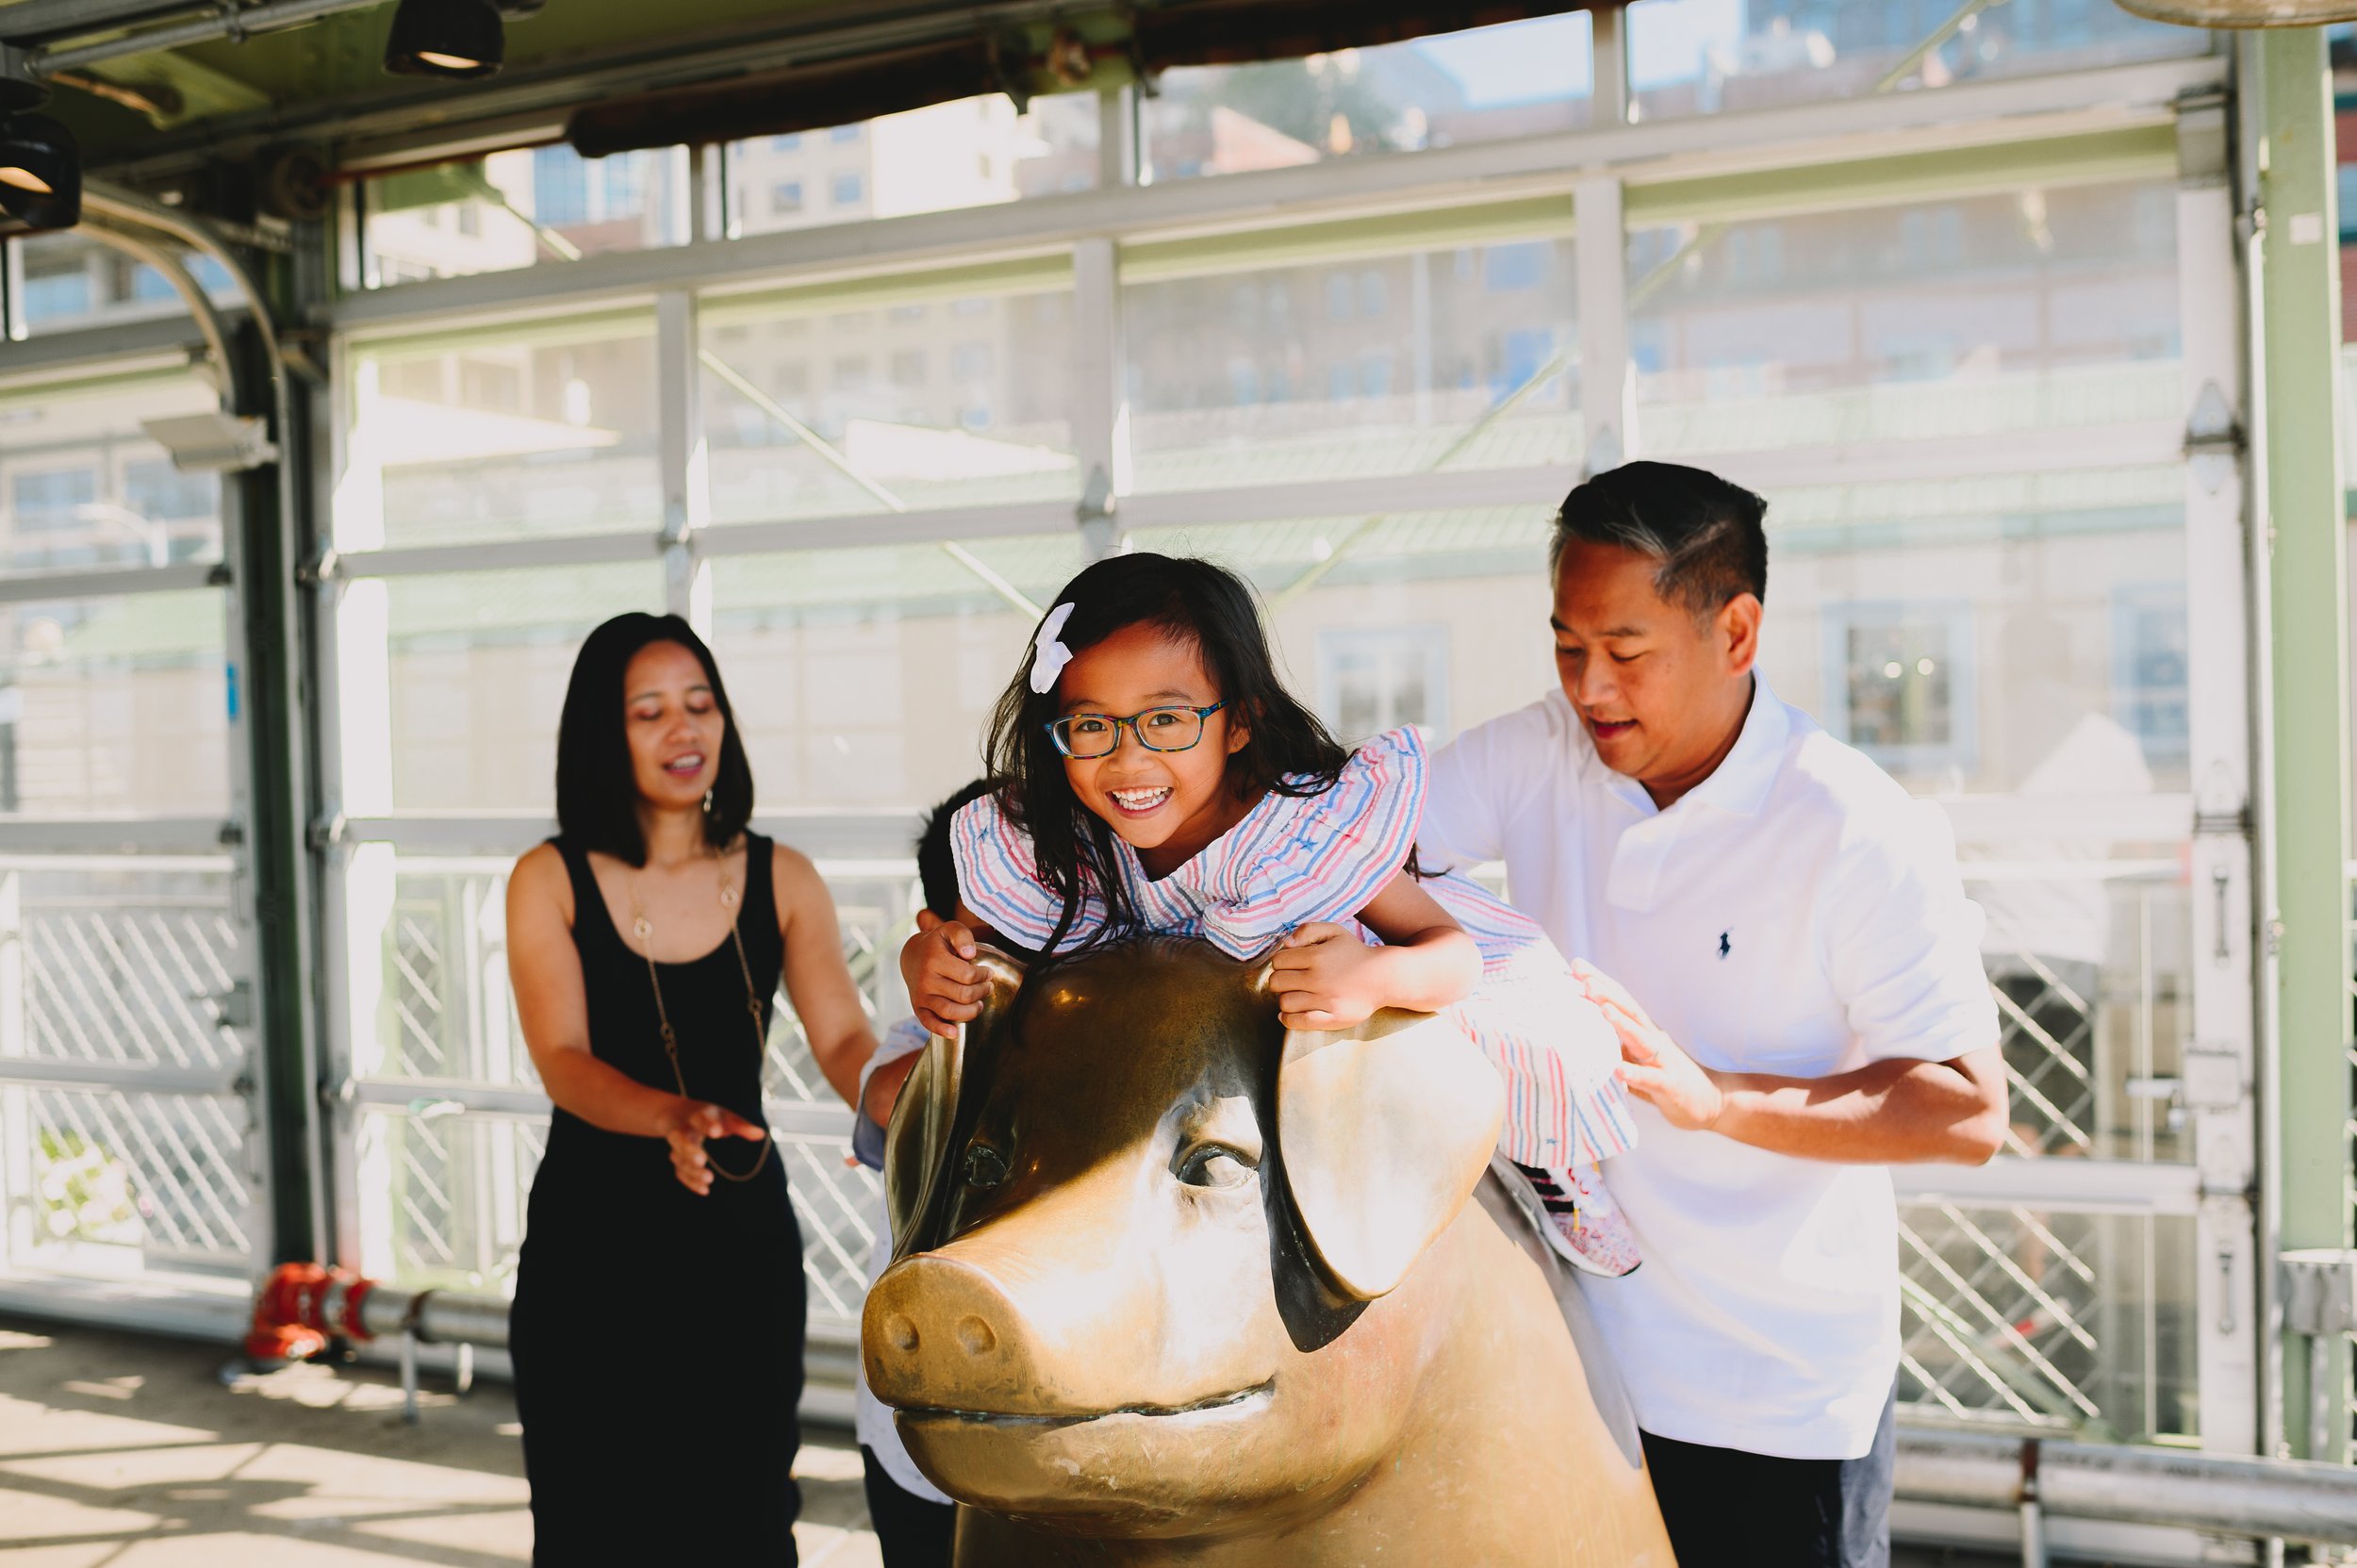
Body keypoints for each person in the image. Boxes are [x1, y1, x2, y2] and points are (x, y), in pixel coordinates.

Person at [1418, 462, 2009, 1567]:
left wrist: (1712, 1098)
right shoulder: (1540, 748)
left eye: (1626, 652)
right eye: (1566, 645)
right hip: (1570, 1363)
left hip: (1773, 1393)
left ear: (1737, 632)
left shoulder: (1854, 825)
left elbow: (1967, 1111)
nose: (1589, 687)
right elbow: (1341, 850)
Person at [901, 553, 1640, 1276]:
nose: (1127, 761)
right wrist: (926, 960)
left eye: (1166, 719)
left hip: (1386, 987)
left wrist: (1375, 974)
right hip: (1249, 1028)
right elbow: (964, 944)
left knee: (1452, 1064)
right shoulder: (1064, 837)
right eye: (1091, 726)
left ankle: (1555, 1167)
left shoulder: (1297, 830)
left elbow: (1454, 954)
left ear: (1241, 723)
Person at [504, 612, 878, 1565]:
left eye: (700, 704)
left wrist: (910, 1101)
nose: (684, 730)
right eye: (649, 711)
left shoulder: (782, 876)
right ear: (604, 730)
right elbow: (563, 1057)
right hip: (593, 1243)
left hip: (736, 1242)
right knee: (595, 1515)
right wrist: (669, 1114)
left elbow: (841, 1036)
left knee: (744, 1512)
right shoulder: (546, 878)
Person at [845, 783, 997, 1567]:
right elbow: (880, 1101)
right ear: (936, 932)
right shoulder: (919, 1036)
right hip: (915, 1426)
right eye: (996, 918)